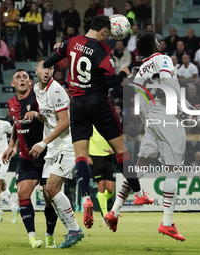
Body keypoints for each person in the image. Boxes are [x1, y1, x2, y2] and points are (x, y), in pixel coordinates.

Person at [43, 15, 153, 229]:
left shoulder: (71, 42)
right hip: (98, 103)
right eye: (108, 34)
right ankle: (139, 194)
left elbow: (48, 62)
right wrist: (122, 72)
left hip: (76, 104)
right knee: (121, 151)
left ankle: (85, 198)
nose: (108, 37)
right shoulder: (103, 51)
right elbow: (111, 82)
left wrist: (62, 49)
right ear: (104, 32)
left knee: (81, 157)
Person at [105, 32, 186, 240]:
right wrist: (177, 109)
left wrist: (149, 121)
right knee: (174, 170)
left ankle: (114, 211)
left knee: (140, 167)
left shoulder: (140, 71)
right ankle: (167, 222)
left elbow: (139, 105)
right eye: (158, 41)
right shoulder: (164, 59)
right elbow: (166, 80)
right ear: (156, 45)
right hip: (167, 116)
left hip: (150, 119)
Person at [28, 58, 84, 248]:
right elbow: (49, 117)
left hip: (67, 144)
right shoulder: (37, 89)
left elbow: (64, 122)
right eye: (44, 67)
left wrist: (42, 143)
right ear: (36, 70)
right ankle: (69, 229)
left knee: (52, 188)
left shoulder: (56, 90)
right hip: (54, 147)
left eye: (50, 68)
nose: (47, 71)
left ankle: (74, 229)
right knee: (48, 194)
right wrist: (37, 115)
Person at [1, 69, 49, 248]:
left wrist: (36, 115)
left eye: (25, 77)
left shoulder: (38, 98)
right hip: (26, 158)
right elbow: (16, 124)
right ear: (12, 84)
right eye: (18, 78)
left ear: (30, 83)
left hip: (46, 156)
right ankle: (32, 236)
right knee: (22, 193)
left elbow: (52, 120)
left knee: (49, 197)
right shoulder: (11, 102)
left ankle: (50, 233)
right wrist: (11, 146)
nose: (22, 79)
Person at [88, 126, 116, 218]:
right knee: (101, 187)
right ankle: (105, 214)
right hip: (95, 158)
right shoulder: (90, 126)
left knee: (110, 188)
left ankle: (102, 202)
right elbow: (85, 141)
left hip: (108, 157)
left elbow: (117, 138)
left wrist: (114, 148)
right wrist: (87, 155)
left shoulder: (107, 124)